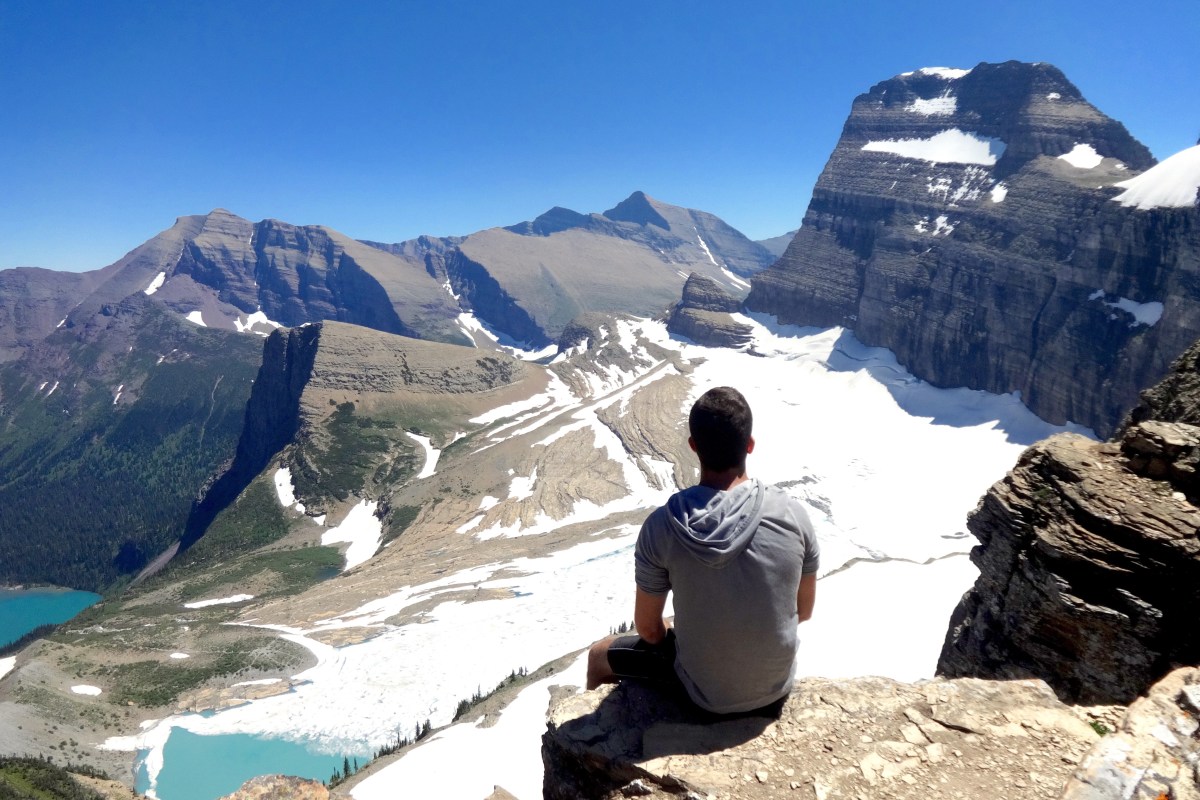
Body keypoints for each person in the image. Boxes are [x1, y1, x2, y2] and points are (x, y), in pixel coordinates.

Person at [586, 386, 819, 715]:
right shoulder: (794, 514)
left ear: (693, 446)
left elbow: (649, 630)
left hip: (702, 697)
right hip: (774, 689)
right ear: (750, 445)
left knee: (598, 656)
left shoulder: (662, 526)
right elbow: (802, 611)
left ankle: (601, 731)